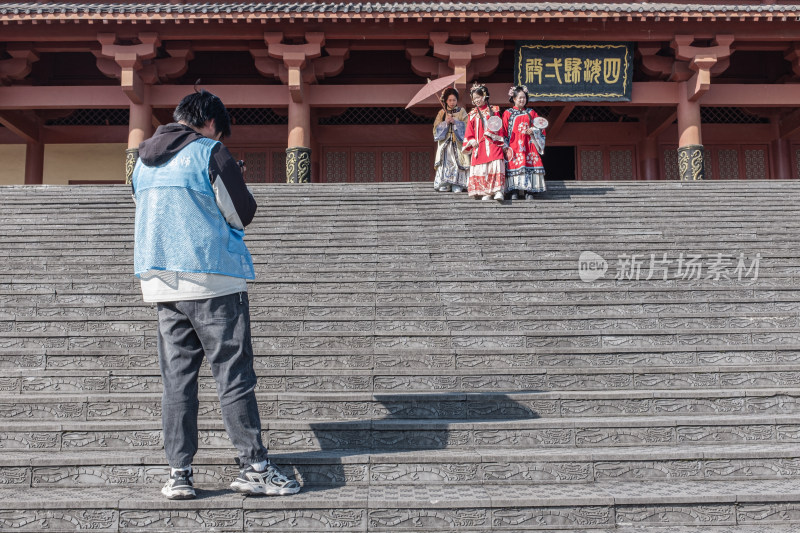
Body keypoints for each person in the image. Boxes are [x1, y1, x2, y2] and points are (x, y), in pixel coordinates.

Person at [131, 90, 300, 500]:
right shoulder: (210, 152)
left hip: (160, 280)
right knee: (233, 375)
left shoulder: (141, 159)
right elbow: (242, 213)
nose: (219, 135)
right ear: (209, 123)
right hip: (212, 278)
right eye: (218, 130)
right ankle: (254, 467)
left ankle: (178, 473)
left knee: (177, 382)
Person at [462, 82, 507, 201]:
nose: (477, 100)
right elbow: (469, 132)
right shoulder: (472, 114)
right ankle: (486, 191)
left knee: (495, 164)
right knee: (483, 168)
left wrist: (492, 133)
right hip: (480, 145)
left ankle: (498, 190)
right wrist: (471, 141)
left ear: (485, 96)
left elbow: (499, 126)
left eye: (479, 97)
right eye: (474, 98)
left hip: (493, 143)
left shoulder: (494, 110)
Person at [502, 85, 547, 200]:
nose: (522, 100)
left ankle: (530, 191)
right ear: (514, 99)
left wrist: (534, 130)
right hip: (514, 145)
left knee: (530, 164)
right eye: (519, 98)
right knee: (513, 165)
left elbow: (541, 128)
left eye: (524, 97)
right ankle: (514, 190)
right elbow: (503, 130)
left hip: (529, 144)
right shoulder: (508, 113)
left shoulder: (531, 113)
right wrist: (505, 146)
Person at [433, 87, 470, 193]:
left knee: (457, 162)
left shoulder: (462, 111)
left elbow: (468, 126)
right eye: (449, 100)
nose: (452, 102)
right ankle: (445, 182)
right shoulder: (441, 113)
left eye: (454, 100)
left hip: (457, 143)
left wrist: (456, 122)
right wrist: (445, 123)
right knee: (445, 162)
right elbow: (435, 129)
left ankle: (457, 183)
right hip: (446, 143)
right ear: (445, 100)